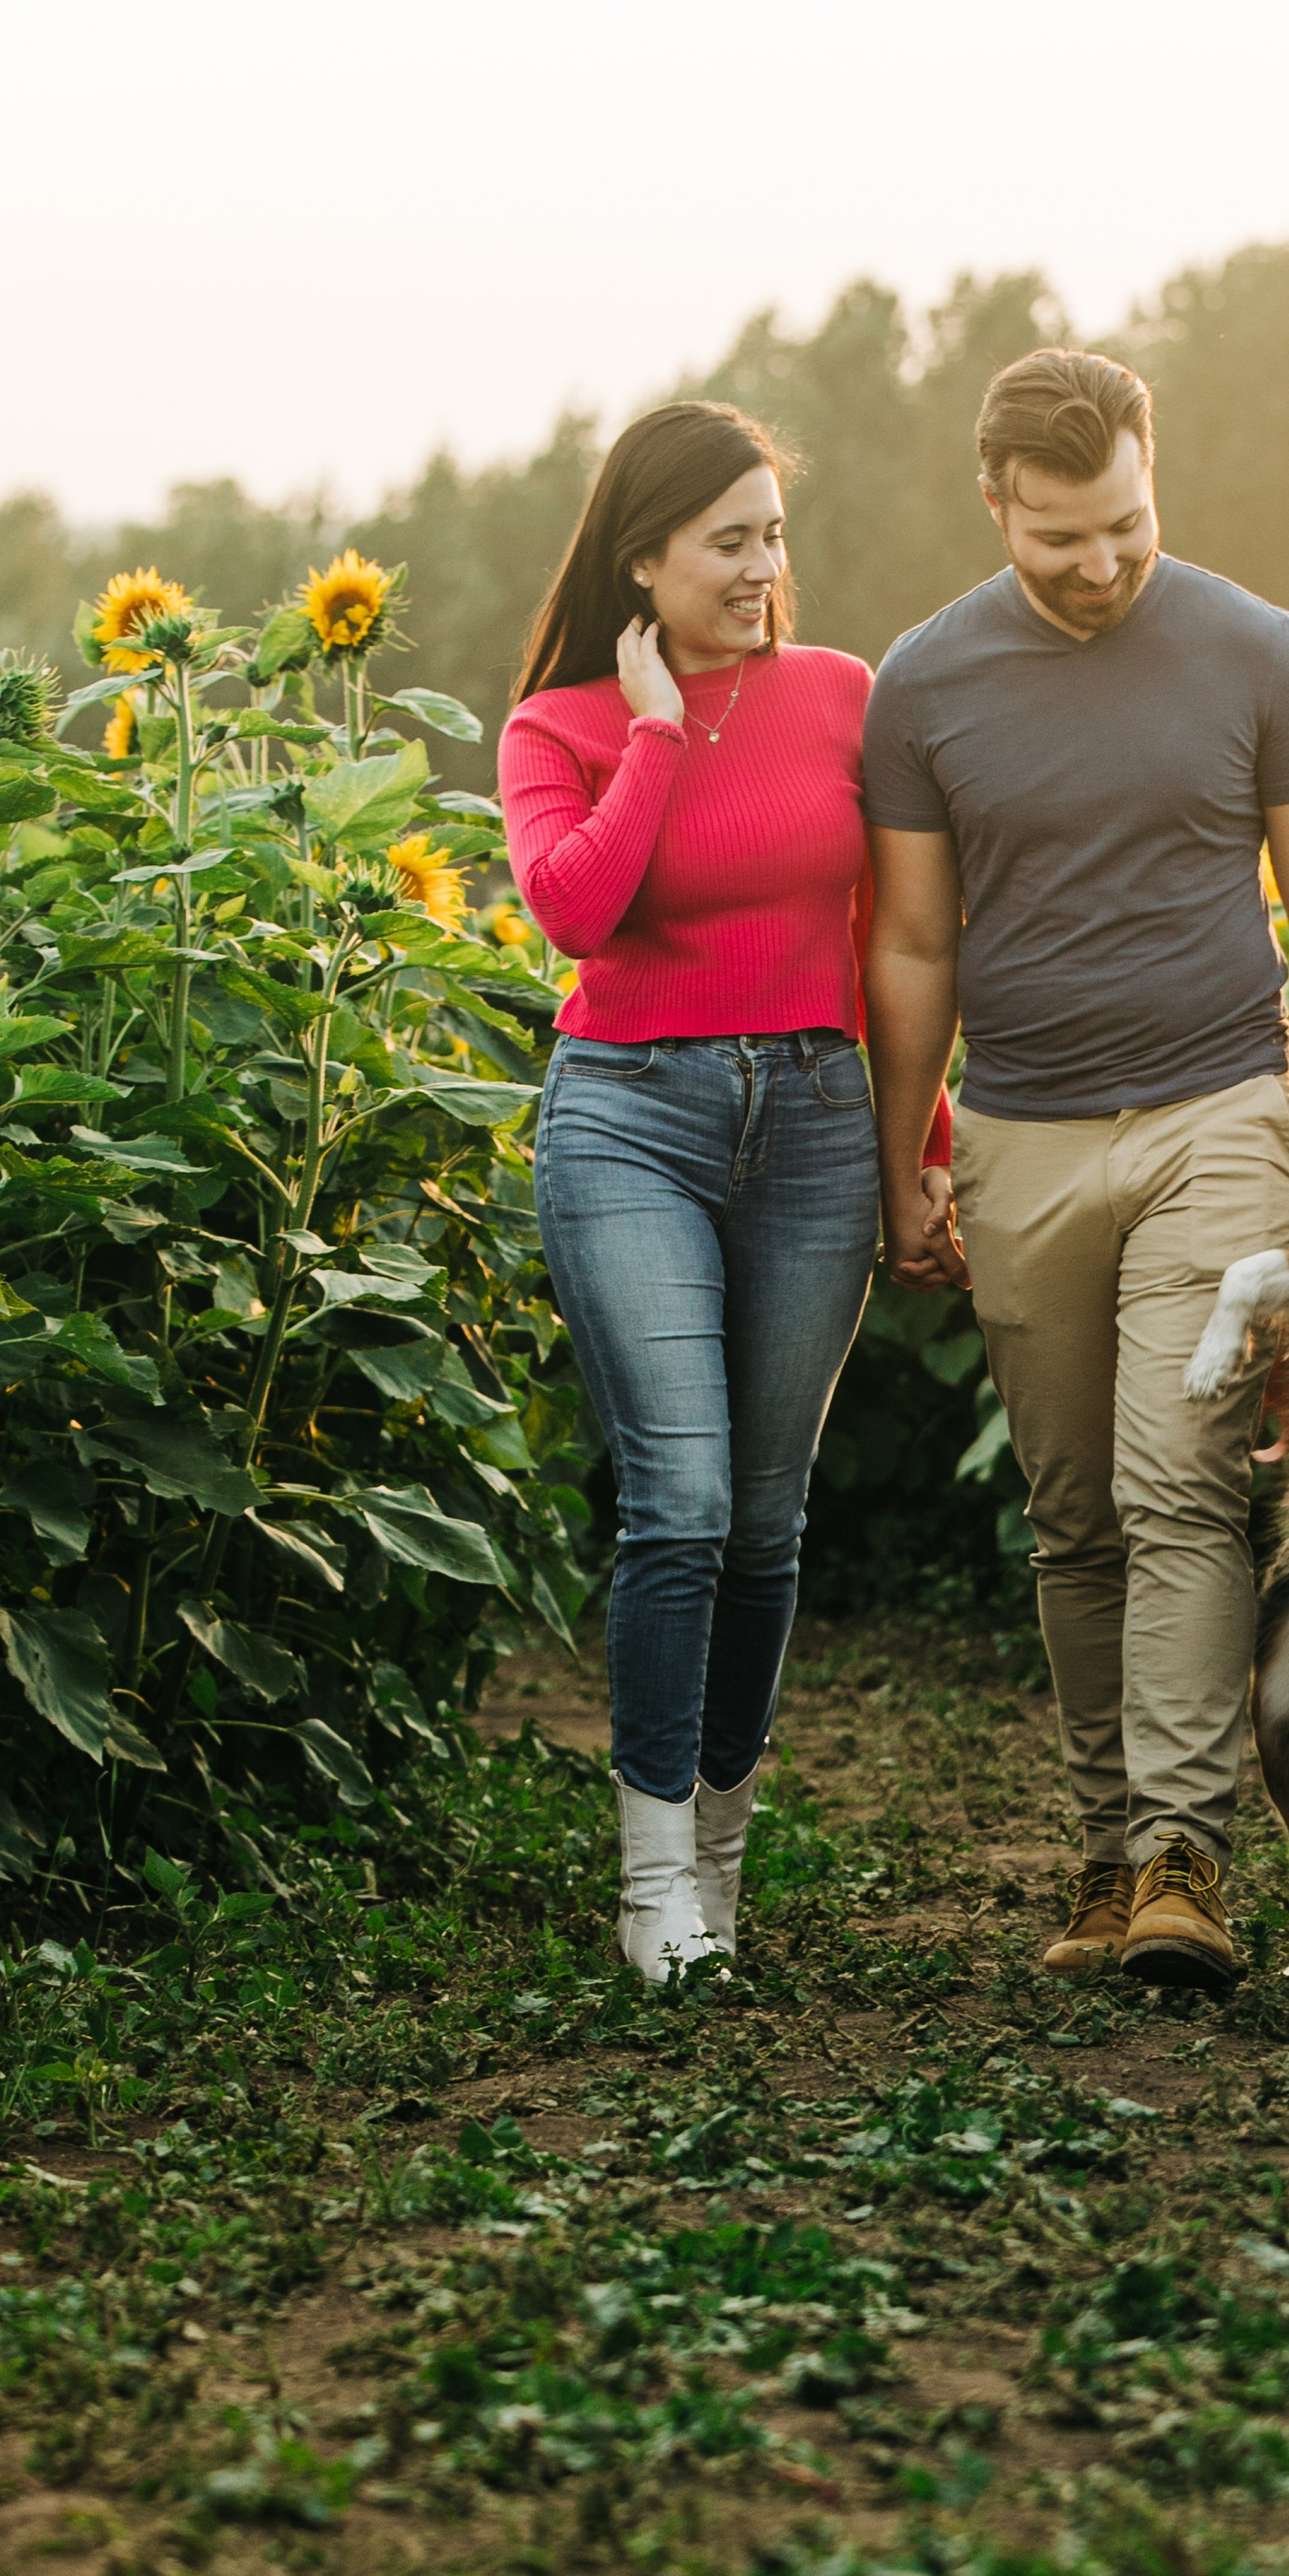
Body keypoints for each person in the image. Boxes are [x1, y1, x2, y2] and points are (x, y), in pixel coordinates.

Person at [862, 347, 1289, 1993]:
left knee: (1177, 1484)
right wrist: (906, 1154)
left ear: (1157, 474)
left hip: (1217, 1114)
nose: (1098, 567)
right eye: (1060, 539)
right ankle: (1105, 1854)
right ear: (994, 503)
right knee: (1074, 1514)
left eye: (1128, 529)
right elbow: (920, 940)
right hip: (1017, 1134)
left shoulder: (1255, 650)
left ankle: (1184, 1857)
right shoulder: (924, 686)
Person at [499, 402, 948, 1982]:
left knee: (763, 1522)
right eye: (731, 541)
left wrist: (922, 1142)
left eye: (775, 533)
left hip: (821, 1119)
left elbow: (894, 934)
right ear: (646, 558)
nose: (767, 567)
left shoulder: (843, 696)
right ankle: (648, 1895)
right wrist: (657, 731)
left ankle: (720, 1864)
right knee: (677, 1503)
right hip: (631, 1120)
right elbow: (574, 910)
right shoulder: (559, 726)